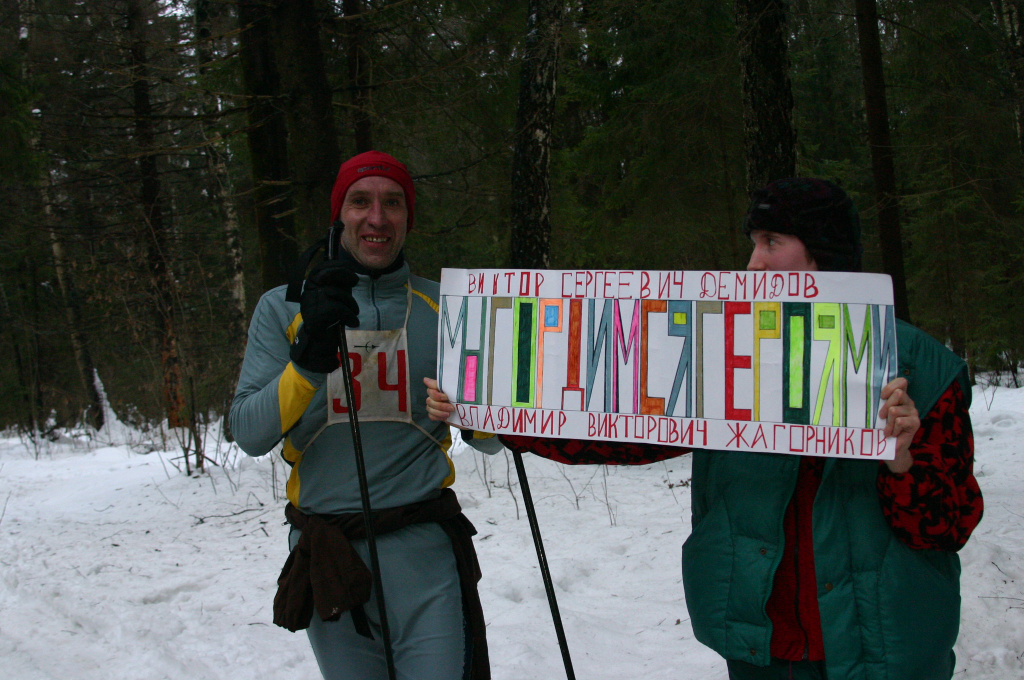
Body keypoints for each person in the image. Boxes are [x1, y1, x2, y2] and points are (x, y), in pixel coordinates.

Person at [425, 178, 983, 680]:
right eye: (753, 243)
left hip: (886, 649)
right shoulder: (725, 346)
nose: (753, 263)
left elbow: (947, 526)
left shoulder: (924, 369)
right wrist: (495, 412)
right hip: (760, 644)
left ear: (824, 255)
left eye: (771, 242)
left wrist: (903, 460)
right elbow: (626, 432)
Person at [230, 150, 502, 680]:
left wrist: (473, 410)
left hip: (425, 553)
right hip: (331, 559)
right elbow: (248, 433)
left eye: (392, 203)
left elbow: (493, 441)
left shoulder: (448, 307)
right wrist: (306, 363)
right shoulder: (283, 308)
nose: (377, 218)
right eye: (360, 201)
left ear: (408, 217)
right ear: (339, 214)